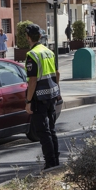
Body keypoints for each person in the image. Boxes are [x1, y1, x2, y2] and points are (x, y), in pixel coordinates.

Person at [24, 23, 61, 170]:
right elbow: (57, 73)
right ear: (40, 36)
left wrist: (28, 101)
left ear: (28, 37)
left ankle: (50, 164)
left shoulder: (32, 54)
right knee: (51, 130)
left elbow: (32, 80)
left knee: (43, 132)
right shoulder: (49, 52)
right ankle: (55, 161)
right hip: (52, 96)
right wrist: (57, 91)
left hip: (39, 99)